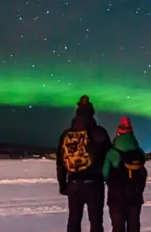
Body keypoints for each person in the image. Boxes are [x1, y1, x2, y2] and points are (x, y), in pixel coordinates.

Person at [56, 95, 112, 232]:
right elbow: (110, 157)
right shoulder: (100, 132)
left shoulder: (67, 134)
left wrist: (63, 185)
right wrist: (109, 180)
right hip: (95, 184)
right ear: (93, 113)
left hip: (74, 183)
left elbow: (60, 162)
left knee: (74, 219)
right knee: (96, 221)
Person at [102, 117, 147, 232]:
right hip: (135, 197)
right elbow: (143, 173)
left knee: (118, 227)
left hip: (116, 198)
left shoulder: (112, 153)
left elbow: (105, 174)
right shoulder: (140, 152)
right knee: (134, 227)